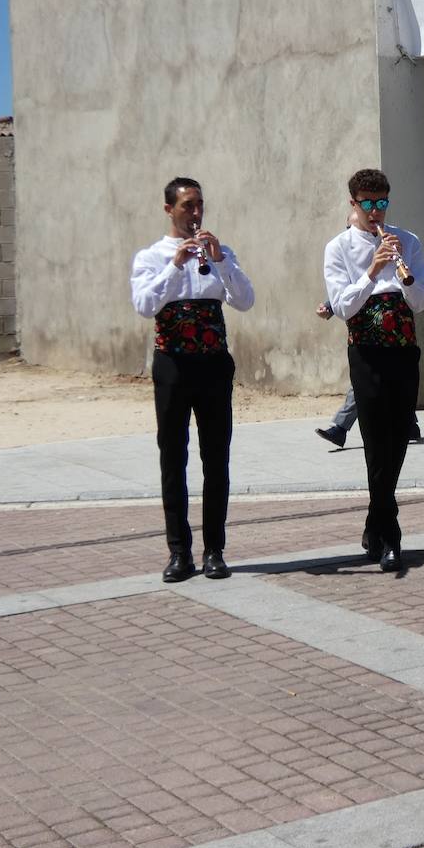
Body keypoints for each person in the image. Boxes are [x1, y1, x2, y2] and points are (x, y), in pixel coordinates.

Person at [130, 177, 255, 582]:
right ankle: (179, 552)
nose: (196, 213)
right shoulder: (151, 257)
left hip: (214, 364)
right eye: (187, 206)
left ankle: (214, 550)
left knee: (216, 459)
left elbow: (245, 301)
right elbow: (145, 305)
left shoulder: (222, 253)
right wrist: (175, 265)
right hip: (172, 366)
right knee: (173, 458)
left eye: (199, 204)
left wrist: (220, 261)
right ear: (169, 209)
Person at [323, 169, 424, 572]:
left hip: (403, 347)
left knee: (399, 433)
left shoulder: (410, 241)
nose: (375, 211)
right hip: (366, 351)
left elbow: (421, 301)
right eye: (368, 203)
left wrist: (402, 271)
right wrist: (372, 270)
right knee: (374, 439)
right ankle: (391, 535)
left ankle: (375, 520)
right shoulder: (337, 248)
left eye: (382, 202)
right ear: (353, 203)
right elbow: (342, 307)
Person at [313, 299, 420, 448]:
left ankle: (340, 429)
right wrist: (329, 306)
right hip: (365, 332)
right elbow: (352, 282)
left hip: (394, 330)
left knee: (389, 379)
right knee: (369, 382)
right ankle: (410, 426)